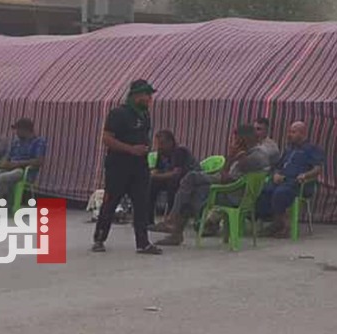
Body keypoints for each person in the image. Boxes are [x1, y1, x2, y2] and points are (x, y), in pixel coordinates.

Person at [154, 121, 277, 246]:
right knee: (191, 182)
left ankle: (174, 223)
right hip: (235, 191)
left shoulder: (254, 157)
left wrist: (231, 156)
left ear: (243, 139)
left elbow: (225, 178)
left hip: (232, 195)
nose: (234, 142)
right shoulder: (255, 153)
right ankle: (176, 224)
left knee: (191, 185)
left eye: (236, 139)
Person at [92, 80, 161, 255]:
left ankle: (143, 243)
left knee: (141, 204)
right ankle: (99, 239)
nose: (149, 98)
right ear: (136, 95)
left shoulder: (145, 115)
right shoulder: (118, 114)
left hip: (139, 166)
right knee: (111, 202)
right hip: (119, 166)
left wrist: (145, 149)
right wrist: (131, 149)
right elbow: (107, 139)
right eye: (146, 95)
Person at [257, 121, 324, 238]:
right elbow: (278, 166)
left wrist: (306, 175)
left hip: (299, 183)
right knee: (264, 190)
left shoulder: (312, 149)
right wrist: (277, 174)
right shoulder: (289, 149)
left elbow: (317, 169)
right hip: (282, 180)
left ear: (302, 133)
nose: (289, 134)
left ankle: (283, 224)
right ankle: (274, 222)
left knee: (280, 193)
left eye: (293, 132)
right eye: (289, 132)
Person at [0, 118, 47, 211]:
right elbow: (7, 157)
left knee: (3, 177)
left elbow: (39, 161)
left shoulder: (39, 142)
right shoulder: (16, 142)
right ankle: (0, 206)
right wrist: (4, 163)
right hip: (9, 169)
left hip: (23, 171)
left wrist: (17, 164)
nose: (16, 132)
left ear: (26, 130)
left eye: (17, 130)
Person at [147, 129, 196, 218]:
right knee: (151, 183)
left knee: (173, 182)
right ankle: (148, 218)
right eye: (157, 144)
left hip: (187, 181)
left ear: (170, 142)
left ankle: (172, 217)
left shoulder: (180, 151)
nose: (159, 147)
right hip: (170, 179)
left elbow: (176, 173)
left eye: (162, 143)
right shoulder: (161, 153)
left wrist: (155, 175)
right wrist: (153, 174)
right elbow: (157, 170)